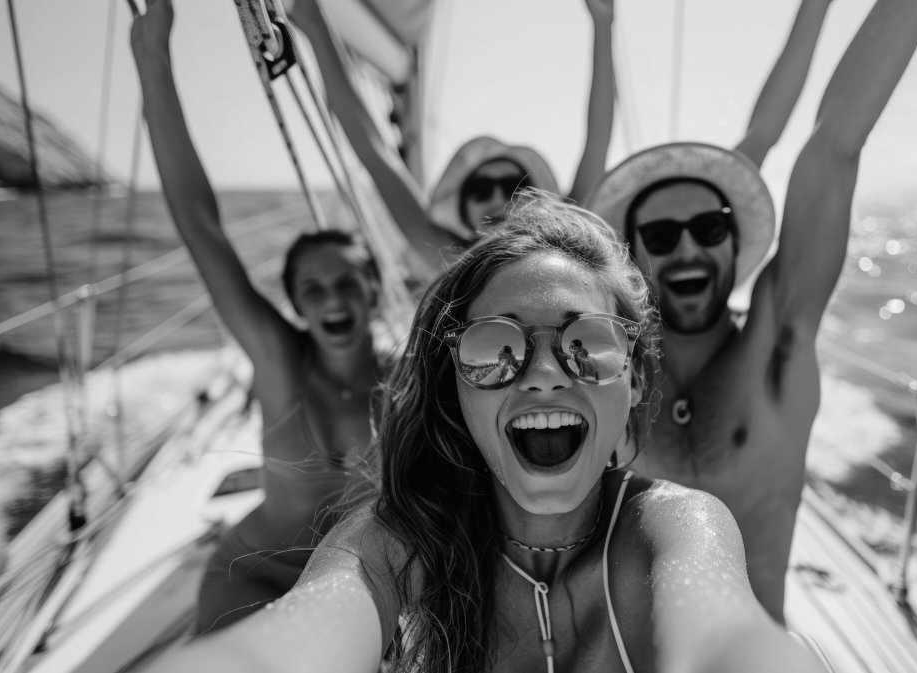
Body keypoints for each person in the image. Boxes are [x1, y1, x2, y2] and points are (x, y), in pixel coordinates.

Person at [137, 192, 828, 673]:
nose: (545, 375)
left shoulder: (674, 527)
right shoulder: (397, 540)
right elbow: (302, 635)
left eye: (588, 343)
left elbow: (724, 637)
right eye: (495, 348)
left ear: (637, 378)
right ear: (455, 387)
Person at [588, 0, 917, 623]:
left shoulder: (778, 339)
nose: (688, 249)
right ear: (632, 257)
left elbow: (836, 144)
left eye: (708, 228)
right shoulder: (611, 369)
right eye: (662, 236)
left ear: (734, 242)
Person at [132, 0, 384, 632]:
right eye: (313, 289)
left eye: (347, 283)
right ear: (295, 304)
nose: (332, 300)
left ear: (375, 290)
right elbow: (200, 227)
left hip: (356, 584)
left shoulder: (407, 377)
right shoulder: (279, 359)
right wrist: (152, 57)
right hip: (255, 572)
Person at [288, 0, 616, 258]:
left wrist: (603, 23)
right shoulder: (446, 262)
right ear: (462, 208)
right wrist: (316, 27)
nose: (499, 199)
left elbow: (598, 142)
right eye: (480, 190)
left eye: (516, 187)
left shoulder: (567, 246)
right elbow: (373, 153)